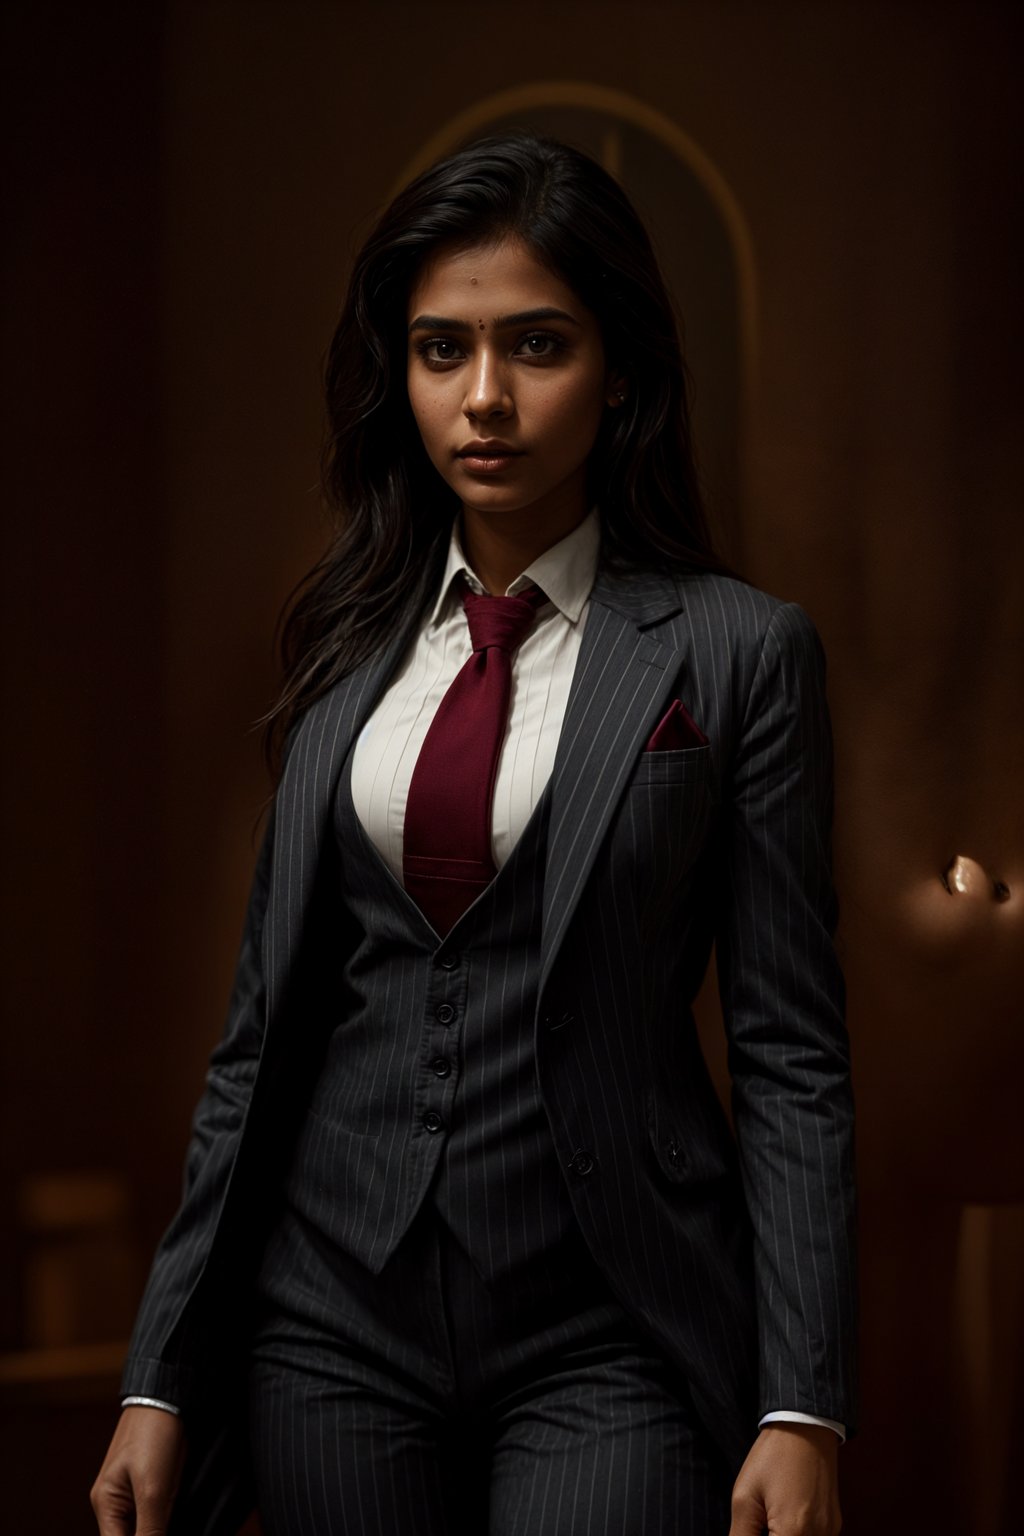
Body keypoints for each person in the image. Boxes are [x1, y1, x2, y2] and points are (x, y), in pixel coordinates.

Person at [91, 132, 856, 1536]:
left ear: (618, 367)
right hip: (327, 1320)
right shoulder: (343, 649)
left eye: (538, 346)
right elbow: (260, 1041)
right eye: (442, 351)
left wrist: (799, 1404)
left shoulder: (742, 654)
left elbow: (790, 1055)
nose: (484, 399)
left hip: (607, 1320)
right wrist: (158, 1374)